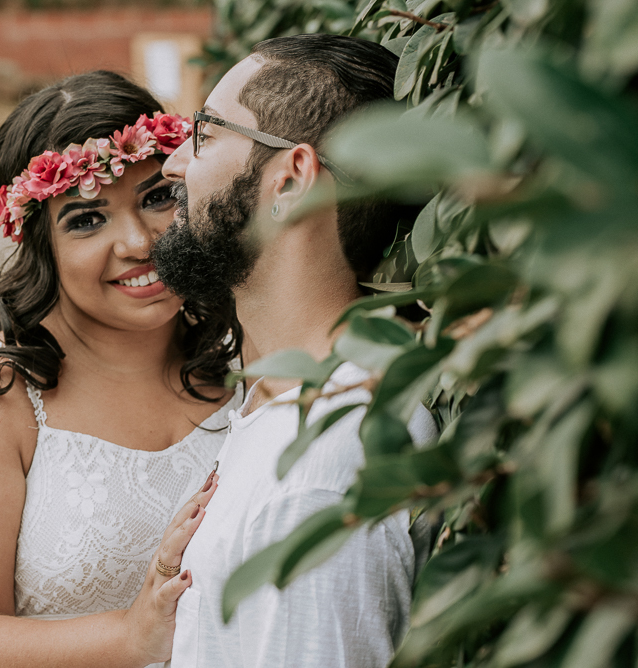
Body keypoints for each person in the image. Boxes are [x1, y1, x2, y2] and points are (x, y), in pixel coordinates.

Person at [0, 70, 243, 668]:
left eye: (157, 197)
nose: (138, 243)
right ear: (39, 246)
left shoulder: (247, 350)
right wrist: (130, 637)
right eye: (87, 219)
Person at [151, 34, 437, 667]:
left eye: (205, 133)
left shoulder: (325, 469)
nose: (173, 163)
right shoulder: (289, 398)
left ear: (290, 179)